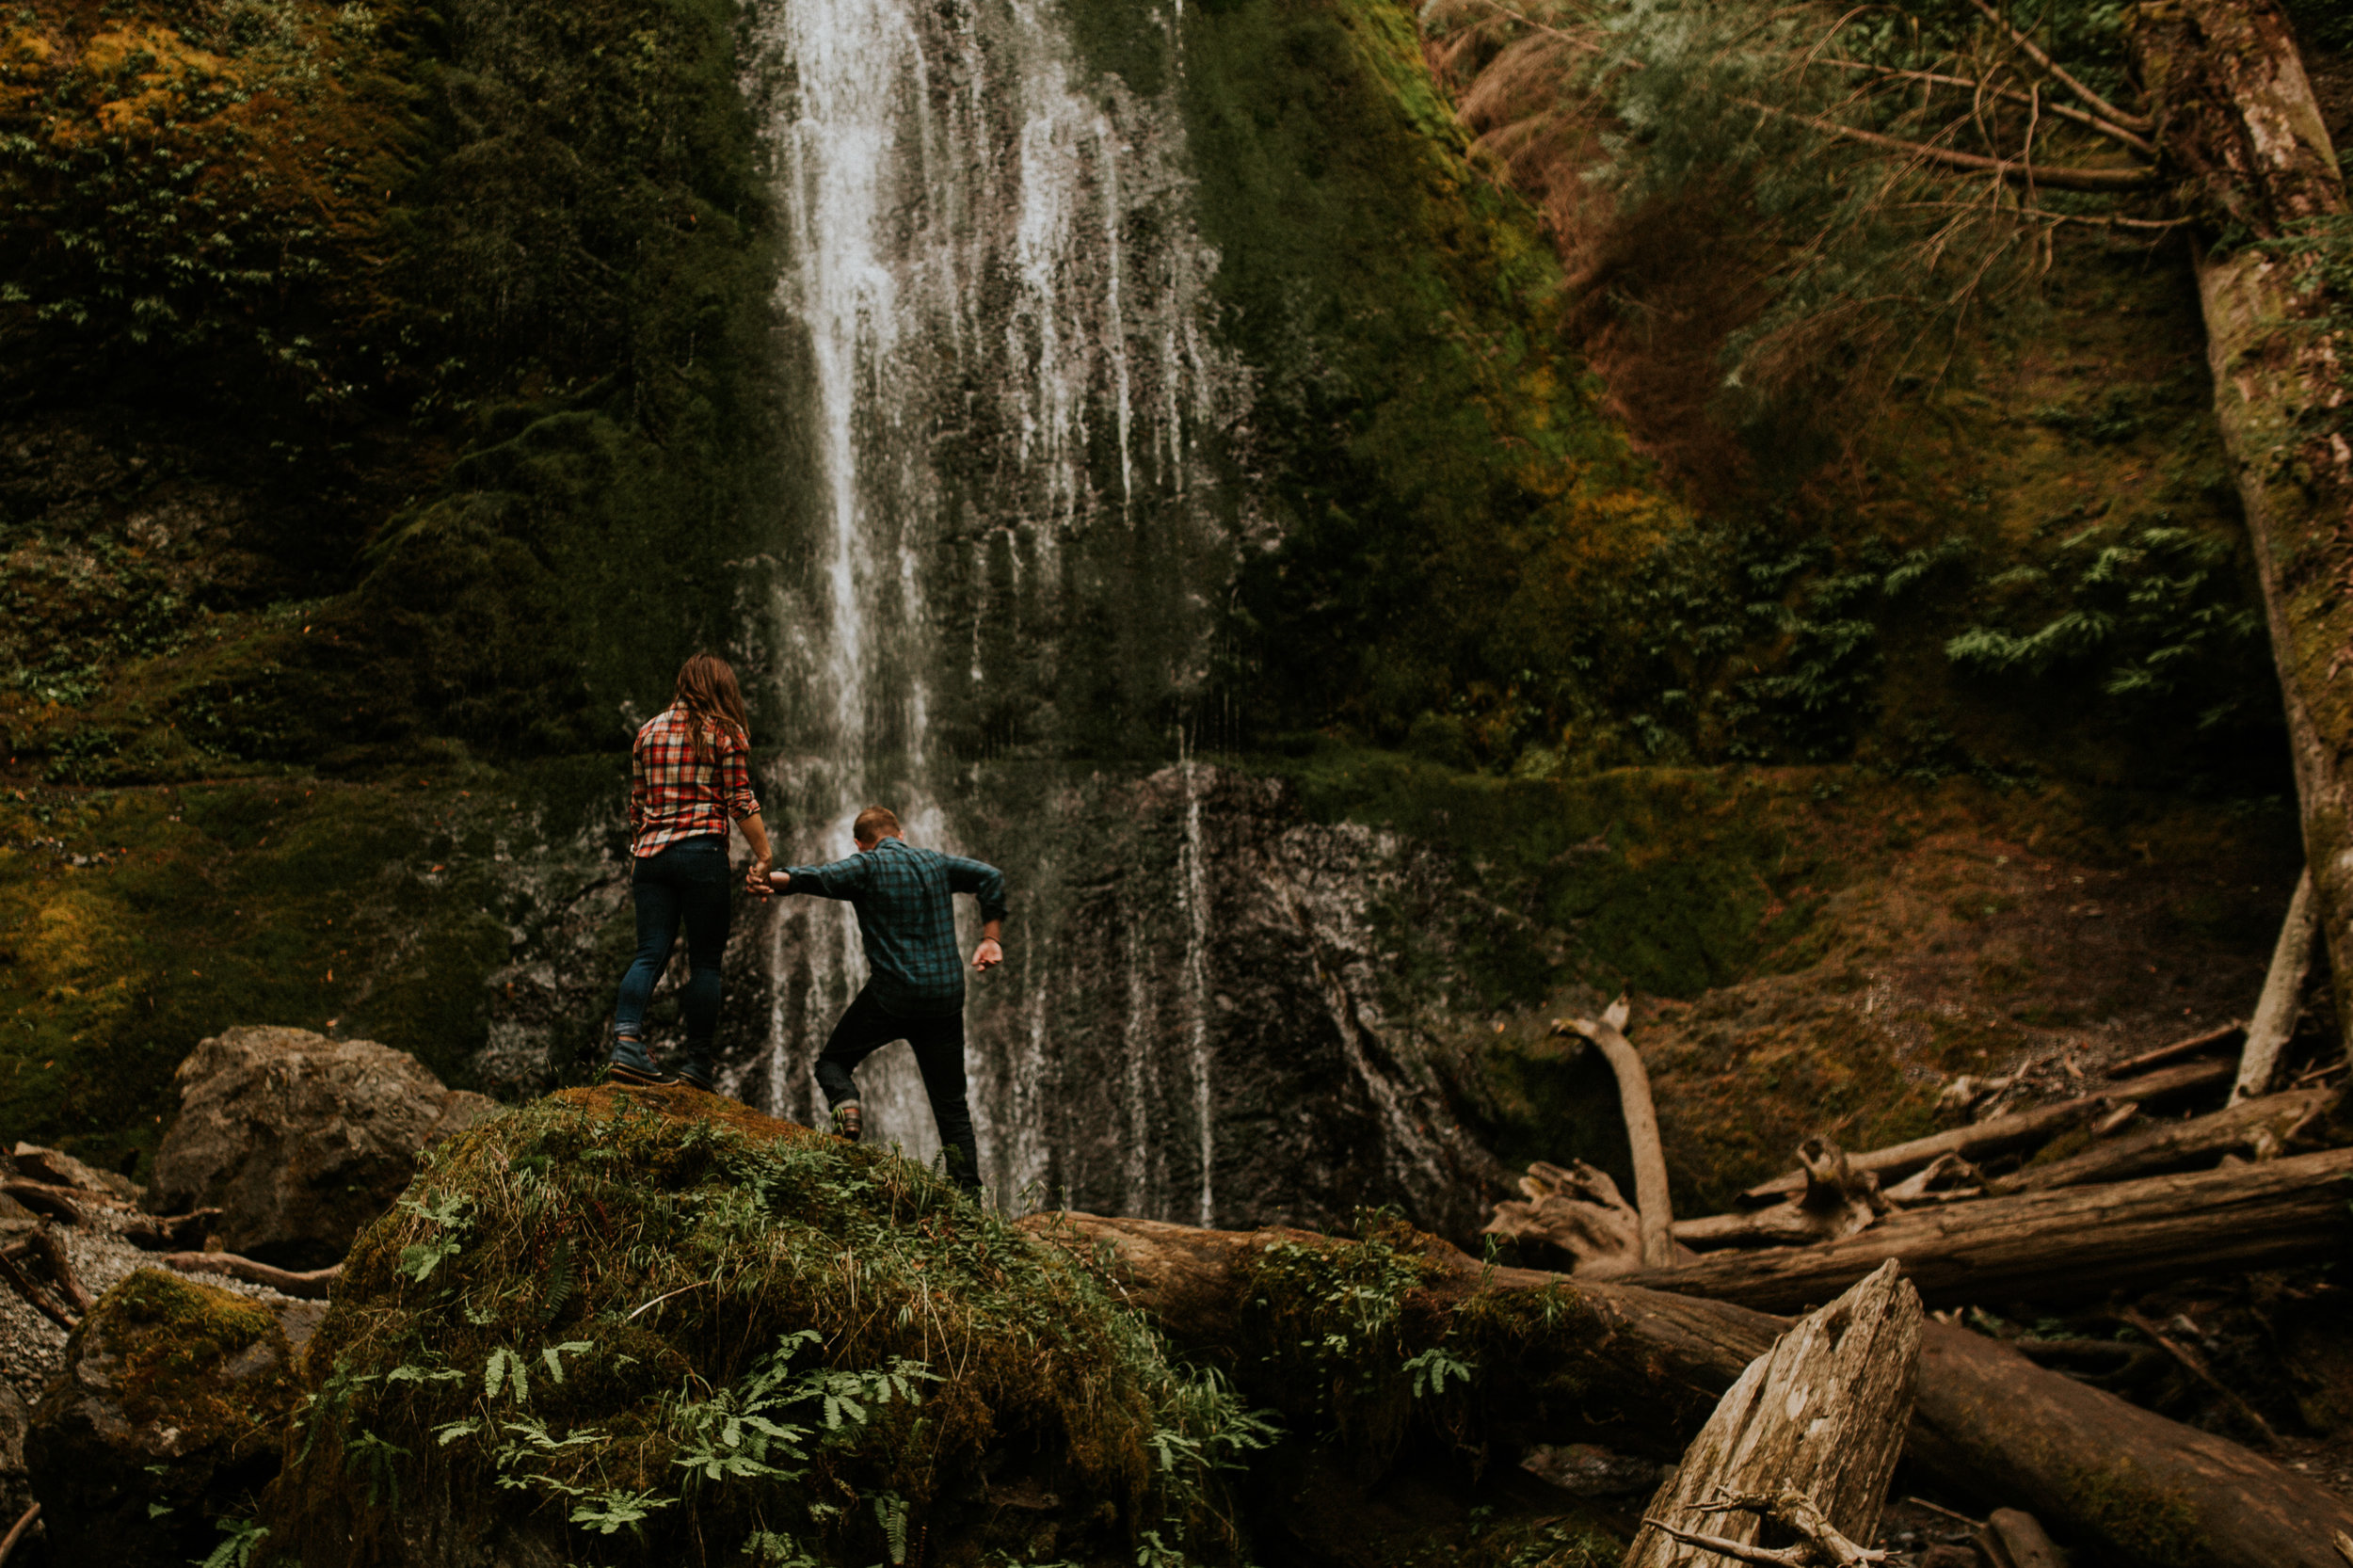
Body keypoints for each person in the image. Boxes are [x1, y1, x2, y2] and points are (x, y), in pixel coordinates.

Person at [749, 807, 1005, 1193]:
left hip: (893, 997)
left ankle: (848, 1105)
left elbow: (816, 877)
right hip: (944, 997)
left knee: (832, 1062)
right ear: (900, 834)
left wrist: (771, 879)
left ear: (859, 843)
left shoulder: (865, 866)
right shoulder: (935, 862)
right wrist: (991, 938)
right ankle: (969, 1199)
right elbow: (990, 876)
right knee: (952, 1106)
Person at [606, 653, 772, 1091]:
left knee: (649, 954)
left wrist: (645, 845)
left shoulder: (647, 731)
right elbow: (740, 799)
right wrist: (765, 855)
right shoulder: (724, 732)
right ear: (720, 687)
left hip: (652, 857)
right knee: (705, 964)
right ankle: (697, 1065)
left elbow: (636, 806)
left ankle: (626, 1042)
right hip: (701, 854)